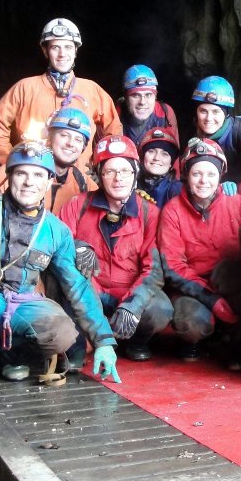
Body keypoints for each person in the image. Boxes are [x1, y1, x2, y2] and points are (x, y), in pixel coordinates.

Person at [0, 141, 120, 389]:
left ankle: (10, 356)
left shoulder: (55, 230)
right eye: (21, 173)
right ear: (10, 177)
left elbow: (77, 285)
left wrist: (104, 341)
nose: (28, 182)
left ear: (48, 181)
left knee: (62, 332)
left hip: (18, 303)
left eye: (38, 175)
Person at [58, 135, 173, 364]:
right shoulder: (77, 205)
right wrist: (77, 247)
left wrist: (132, 305)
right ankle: (91, 339)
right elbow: (57, 246)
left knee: (160, 308)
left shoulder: (149, 212)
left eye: (125, 171)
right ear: (99, 175)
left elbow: (154, 268)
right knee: (77, 349)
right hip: (93, 291)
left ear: (135, 173)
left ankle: (135, 341)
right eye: (110, 171)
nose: (118, 178)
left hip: (129, 290)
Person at [157, 139, 241, 365]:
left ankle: (233, 337)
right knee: (191, 323)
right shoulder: (173, 211)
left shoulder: (238, 205)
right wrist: (211, 299)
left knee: (240, 288)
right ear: (186, 176)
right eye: (196, 174)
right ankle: (195, 339)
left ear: (220, 176)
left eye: (211, 174)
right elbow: (172, 266)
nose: (204, 181)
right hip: (192, 287)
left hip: (231, 283)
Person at [0, 18, 121, 167]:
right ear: (45, 51)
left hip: (77, 179)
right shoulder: (25, 88)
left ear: (76, 51)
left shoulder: (92, 90)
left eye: (68, 47)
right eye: (55, 47)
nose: (62, 54)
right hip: (32, 177)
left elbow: (113, 131)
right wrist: (12, 162)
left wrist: (100, 166)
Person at [0, 107, 97, 214]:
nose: (70, 143)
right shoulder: (12, 173)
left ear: (83, 147)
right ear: (50, 138)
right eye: (64, 135)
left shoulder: (84, 184)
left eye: (78, 139)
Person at [191, 76, 241, 181]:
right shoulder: (196, 138)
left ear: (226, 114)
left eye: (216, 111)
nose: (209, 118)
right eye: (203, 111)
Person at [117, 64, 179, 147]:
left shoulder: (165, 113)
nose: (142, 102)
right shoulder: (115, 114)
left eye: (148, 95)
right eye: (135, 95)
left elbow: (173, 152)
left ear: (155, 96)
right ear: (125, 97)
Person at [137, 126, 183, 208]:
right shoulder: (131, 184)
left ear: (171, 163)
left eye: (164, 154)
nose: (156, 158)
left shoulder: (176, 190)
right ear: (143, 157)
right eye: (151, 151)